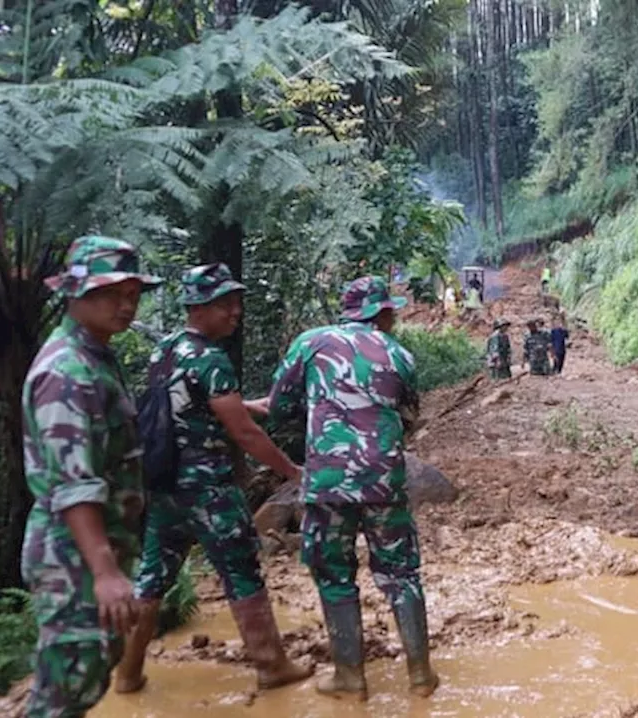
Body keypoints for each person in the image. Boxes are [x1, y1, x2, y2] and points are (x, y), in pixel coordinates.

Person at [114, 264, 312, 695]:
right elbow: (243, 433)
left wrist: (247, 404)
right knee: (242, 571)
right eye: (226, 304)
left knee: (152, 577)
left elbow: (189, 410)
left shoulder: (163, 351)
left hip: (165, 487)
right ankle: (271, 665)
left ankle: (127, 673)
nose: (236, 312)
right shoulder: (210, 358)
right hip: (210, 490)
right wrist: (291, 471)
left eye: (236, 302)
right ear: (200, 307)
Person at [253, 276, 437, 701]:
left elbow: (278, 408)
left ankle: (350, 678)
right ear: (381, 313)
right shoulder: (400, 354)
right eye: (391, 311)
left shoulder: (312, 342)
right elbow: (410, 411)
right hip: (384, 479)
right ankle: (421, 676)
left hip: (328, 480)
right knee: (401, 573)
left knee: (334, 573)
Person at [21, 236, 161, 717]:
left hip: (92, 550)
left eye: (133, 294)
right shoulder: (68, 371)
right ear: (75, 293)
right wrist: (103, 571)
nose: (126, 305)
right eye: (111, 293)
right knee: (66, 687)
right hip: (73, 559)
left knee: (88, 673)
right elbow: (71, 480)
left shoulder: (96, 356)